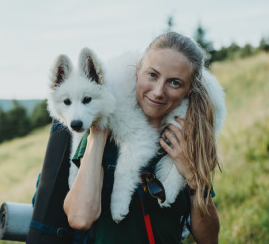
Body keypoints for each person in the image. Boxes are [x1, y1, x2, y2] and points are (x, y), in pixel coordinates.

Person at [63, 32, 223, 243]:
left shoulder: (187, 141)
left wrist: (194, 178)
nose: (158, 92)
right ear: (138, 70)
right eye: (153, 75)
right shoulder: (102, 131)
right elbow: (80, 218)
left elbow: (209, 239)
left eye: (174, 83)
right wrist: (99, 135)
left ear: (188, 90)